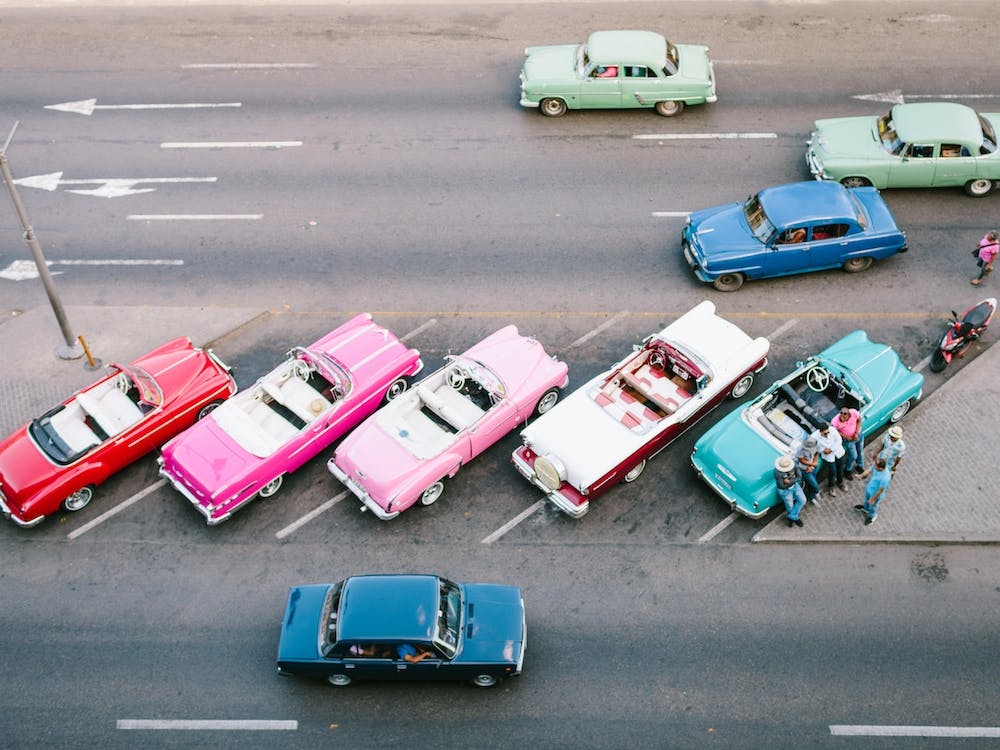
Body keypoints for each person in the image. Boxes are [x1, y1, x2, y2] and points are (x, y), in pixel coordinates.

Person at [855, 457, 891, 525]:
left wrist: (873, 499)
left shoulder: (885, 478)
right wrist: (860, 476)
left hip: (876, 495)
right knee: (866, 500)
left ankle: (872, 516)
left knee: (873, 506)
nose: (874, 465)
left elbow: (880, 490)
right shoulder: (876, 466)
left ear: (881, 468)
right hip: (869, 488)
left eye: (876, 465)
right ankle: (866, 508)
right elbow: (869, 470)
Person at [774, 455, 807, 528]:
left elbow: (799, 477)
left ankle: (791, 517)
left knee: (803, 500)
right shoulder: (777, 472)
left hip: (795, 486)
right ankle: (795, 518)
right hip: (785, 491)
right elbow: (782, 486)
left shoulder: (794, 464)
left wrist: (789, 481)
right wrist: (792, 480)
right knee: (790, 506)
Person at [831, 406, 863, 479]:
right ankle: (848, 469)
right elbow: (835, 431)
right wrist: (845, 436)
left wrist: (857, 433)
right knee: (853, 456)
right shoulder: (835, 421)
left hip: (858, 435)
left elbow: (859, 420)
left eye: (845, 418)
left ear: (849, 415)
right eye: (842, 419)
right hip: (849, 441)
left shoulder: (854, 412)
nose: (843, 420)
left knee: (860, 451)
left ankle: (859, 465)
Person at [815, 421, 846, 497]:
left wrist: (831, 449)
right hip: (828, 456)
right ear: (821, 432)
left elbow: (839, 440)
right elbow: (816, 448)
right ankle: (831, 486)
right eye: (825, 433)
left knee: (840, 468)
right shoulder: (815, 437)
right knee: (832, 472)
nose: (827, 434)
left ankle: (840, 482)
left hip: (837, 452)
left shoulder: (832, 430)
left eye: (828, 432)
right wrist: (823, 450)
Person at [796, 435, 821, 504]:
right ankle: (817, 492)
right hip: (805, 469)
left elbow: (816, 454)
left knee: (811, 484)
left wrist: (813, 465)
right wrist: (812, 464)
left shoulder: (816, 444)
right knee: (815, 485)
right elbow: (801, 460)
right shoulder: (800, 449)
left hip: (813, 466)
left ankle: (812, 497)